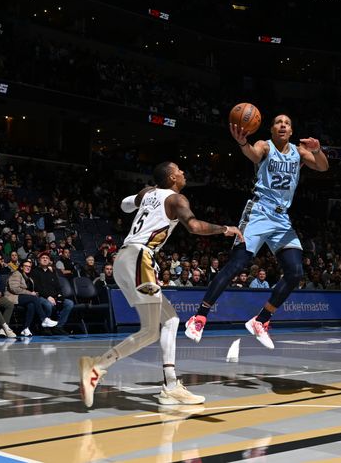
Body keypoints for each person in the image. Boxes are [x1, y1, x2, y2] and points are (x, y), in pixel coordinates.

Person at [78, 161, 243, 408]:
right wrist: (225, 229)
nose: (183, 172)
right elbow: (195, 227)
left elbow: (124, 205)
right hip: (140, 258)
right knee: (150, 330)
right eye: (179, 170)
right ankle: (98, 366)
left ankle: (170, 384)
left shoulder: (148, 193)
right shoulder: (177, 199)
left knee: (170, 320)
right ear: (171, 178)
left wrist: (141, 198)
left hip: (124, 258)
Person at [184, 114, 328, 348]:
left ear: (291, 131)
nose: (283, 125)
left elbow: (322, 166)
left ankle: (261, 319)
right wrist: (243, 143)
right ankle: (199, 316)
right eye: (278, 122)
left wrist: (318, 149)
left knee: (295, 272)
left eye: (287, 123)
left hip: (282, 218)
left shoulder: (298, 151)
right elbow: (252, 153)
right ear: (271, 129)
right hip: (259, 211)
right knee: (237, 264)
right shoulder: (264, 145)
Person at [6, 259, 54, 337]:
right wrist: (31, 293)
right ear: (21, 267)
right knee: (34, 299)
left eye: (29, 266)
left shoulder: (29, 277)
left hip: (23, 297)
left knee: (31, 305)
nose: (28, 268)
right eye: (26, 266)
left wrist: (34, 293)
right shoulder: (17, 274)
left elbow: (29, 290)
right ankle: (44, 319)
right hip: (13, 296)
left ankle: (25, 328)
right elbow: (14, 289)